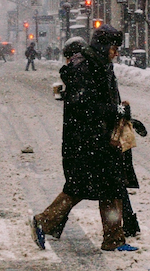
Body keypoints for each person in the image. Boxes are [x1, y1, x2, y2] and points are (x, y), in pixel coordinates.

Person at [30, 26, 137, 253]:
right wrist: (114, 111)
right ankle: (44, 221)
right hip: (87, 141)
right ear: (103, 46)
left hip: (99, 138)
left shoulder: (98, 65)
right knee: (79, 188)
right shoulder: (87, 67)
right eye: (113, 48)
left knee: (110, 187)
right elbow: (84, 106)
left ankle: (114, 239)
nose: (115, 52)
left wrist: (117, 112)